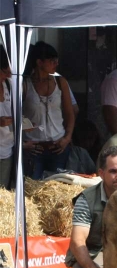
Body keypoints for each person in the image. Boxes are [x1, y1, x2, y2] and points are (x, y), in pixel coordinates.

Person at [22, 41, 75, 180]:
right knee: (33, 189)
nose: (56, 64)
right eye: (52, 61)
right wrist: (24, 142)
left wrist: (67, 138)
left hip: (58, 146)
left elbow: (70, 113)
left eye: (56, 60)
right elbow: (15, 115)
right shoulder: (25, 84)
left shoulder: (60, 82)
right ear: (39, 62)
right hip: (34, 148)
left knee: (57, 189)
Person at [0, 48, 13, 189]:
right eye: (4, 72)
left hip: (7, 150)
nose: (7, 76)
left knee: (3, 195)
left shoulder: (9, 84)